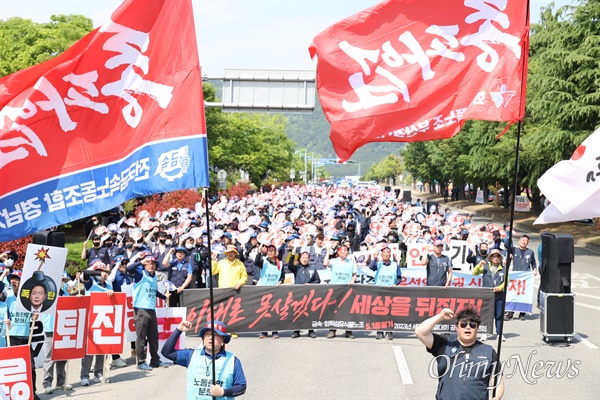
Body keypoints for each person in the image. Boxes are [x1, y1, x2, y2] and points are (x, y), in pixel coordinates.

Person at [415, 306, 505, 400]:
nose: (468, 327)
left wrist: (497, 397)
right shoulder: (445, 343)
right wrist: (440, 316)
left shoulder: (488, 351)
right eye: (463, 324)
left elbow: (498, 380)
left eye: (473, 325)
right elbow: (420, 332)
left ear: (477, 328)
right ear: (457, 327)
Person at [161, 320, 247, 399]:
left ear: (223, 339)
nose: (210, 337)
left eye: (215, 334)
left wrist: (223, 392)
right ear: (202, 337)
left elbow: (242, 387)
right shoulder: (190, 355)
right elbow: (166, 352)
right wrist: (179, 330)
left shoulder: (232, 360)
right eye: (207, 334)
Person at [127, 253, 170, 371]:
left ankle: (155, 360)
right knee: (141, 338)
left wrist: (164, 296)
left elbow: (154, 291)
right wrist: (141, 262)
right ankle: (141, 362)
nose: (151, 265)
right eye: (148, 263)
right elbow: (128, 268)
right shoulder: (140, 274)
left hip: (151, 309)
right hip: (141, 309)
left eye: (153, 263)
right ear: (145, 265)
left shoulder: (154, 276)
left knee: (153, 336)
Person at [2, 270, 41, 400]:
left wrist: (35, 315)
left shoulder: (28, 298)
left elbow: (34, 311)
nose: (13, 281)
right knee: (12, 367)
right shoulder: (6, 297)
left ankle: (32, 392)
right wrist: (5, 320)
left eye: (17, 279)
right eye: (12, 279)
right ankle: (11, 394)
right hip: (11, 336)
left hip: (25, 337)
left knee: (30, 366)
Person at [323, 244, 357, 339]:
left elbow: (355, 274)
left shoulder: (351, 262)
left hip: (347, 290)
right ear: (338, 252)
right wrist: (328, 250)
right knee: (334, 310)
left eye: (347, 251)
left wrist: (352, 280)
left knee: (347, 310)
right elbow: (325, 263)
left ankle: (348, 331)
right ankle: (332, 330)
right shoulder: (334, 261)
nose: (346, 252)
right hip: (335, 289)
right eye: (344, 251)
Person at [472, 249, 506, 342]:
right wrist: (479, 265)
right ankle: (485, 333)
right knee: (486, 314)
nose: (496, 258)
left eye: (497, 256)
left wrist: (500, 287)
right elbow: (474, 273)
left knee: (499, 315)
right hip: (487, 294)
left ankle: (499, 333)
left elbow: (506, 282)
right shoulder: (485, 267)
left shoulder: (503, 269)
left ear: (500, 258)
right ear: (490, 257)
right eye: (494, 256)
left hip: (499, 294)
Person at [369, 246, 402, 340]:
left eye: (388, 253)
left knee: (390, 312)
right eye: (384, 253)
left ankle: (389, 331)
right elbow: (371, 267)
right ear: (382, 254)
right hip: (379, 291)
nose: (386, 255)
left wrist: (396, 284)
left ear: (390, 255)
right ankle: (379, 332)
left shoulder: (395, 265)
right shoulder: (378, 264)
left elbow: (399, 278)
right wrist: (375, 257)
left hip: (391, 291)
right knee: (379, 311)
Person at [288, 250, 321, 338]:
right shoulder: (297, 268)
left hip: (309, 295)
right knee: (297, 312)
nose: (305, 259)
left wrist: (310, 285)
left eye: (306, 258)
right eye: (303, 258)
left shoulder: (312, 268)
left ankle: (311, 331)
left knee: (309, 313)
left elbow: (318, 280)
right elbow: (289, 265)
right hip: (298, 294)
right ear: (300, 258)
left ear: (309, 259)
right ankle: (296, 331)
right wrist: (292, 253)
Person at [254, 244, 285, 338]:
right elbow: (256, 262)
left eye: (273, 251)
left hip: (274, 290)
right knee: (264, 311)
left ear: (276, 253)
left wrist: (280, 281)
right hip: (264, 290)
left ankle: (275, 331)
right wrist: (259, 252)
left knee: (274, 311)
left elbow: (283, 276)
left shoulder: (280, 263)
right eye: (269, 251)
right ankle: (264, 331)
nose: (271, 253)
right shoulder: (264, 261)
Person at [506, 234, 537, 321]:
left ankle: (522, 313)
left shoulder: (530, 252)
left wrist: (535, 269)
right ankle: (510, 313)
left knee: (524, 295)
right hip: (516, 277)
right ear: (519, 241)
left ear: (527, 242)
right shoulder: (514, 250)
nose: (524, 242)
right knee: (513, 294)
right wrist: (509, 234)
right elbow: (506, 244)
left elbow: (533, 262)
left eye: (526, 241)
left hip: (526, 277)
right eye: (522, 240)